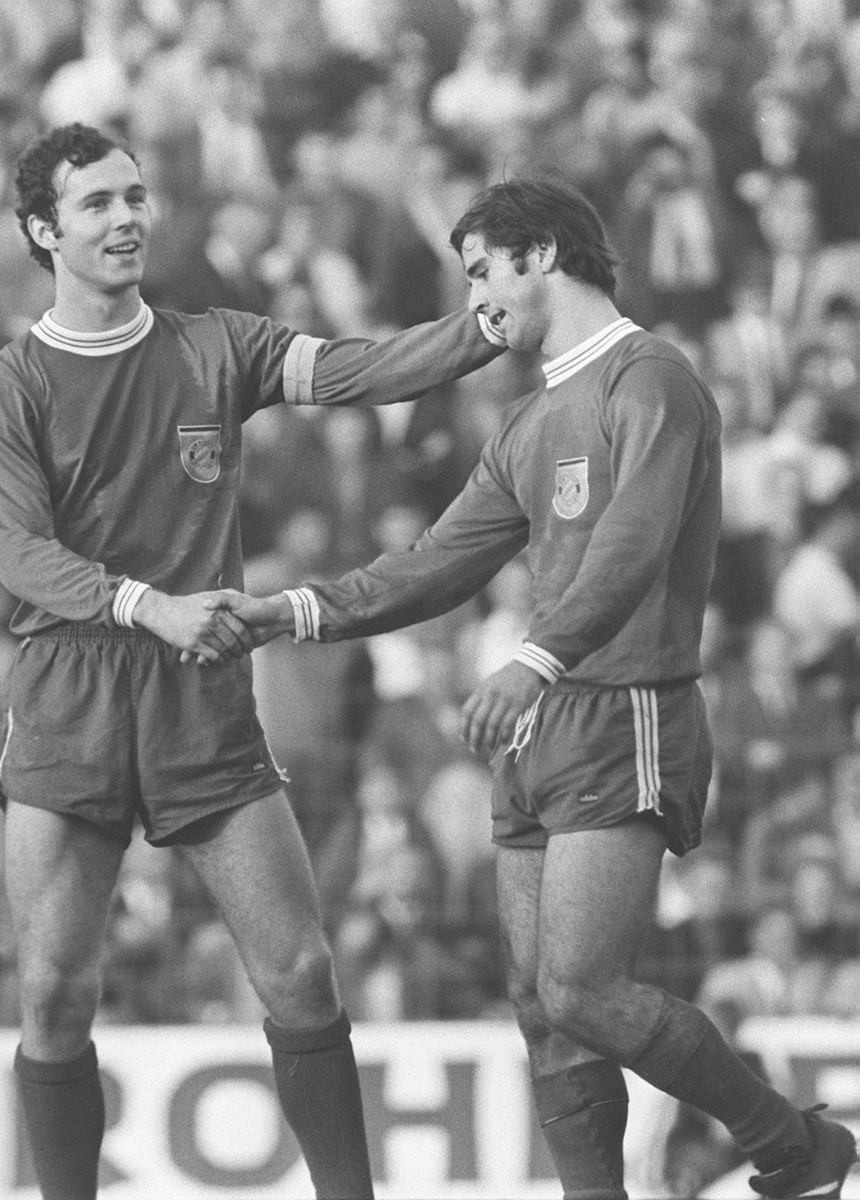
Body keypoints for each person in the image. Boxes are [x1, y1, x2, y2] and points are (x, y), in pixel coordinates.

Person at [218, 177, 859, 1200]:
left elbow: (634, 544)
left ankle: (792, 1146)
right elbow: (436, 561)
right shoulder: (528, 417)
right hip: (541, 721)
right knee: (534, 998)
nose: (475, 301)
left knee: (580, 987)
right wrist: (292, 611)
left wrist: (530, 657)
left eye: (481, 272)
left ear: (543, 255)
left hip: (626, 704)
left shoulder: (652, 378)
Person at [0, 121, 505, 1200]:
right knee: (57, 994)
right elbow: (21, 556)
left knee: (301, 972)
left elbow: (354, 369)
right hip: (70, 696)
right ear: (39, 231)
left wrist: (482, 327)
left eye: (133, 196)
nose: (126, 219)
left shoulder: (216, 344)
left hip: (199, 695)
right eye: (96, 205)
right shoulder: (6, 387)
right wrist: (143, 604)